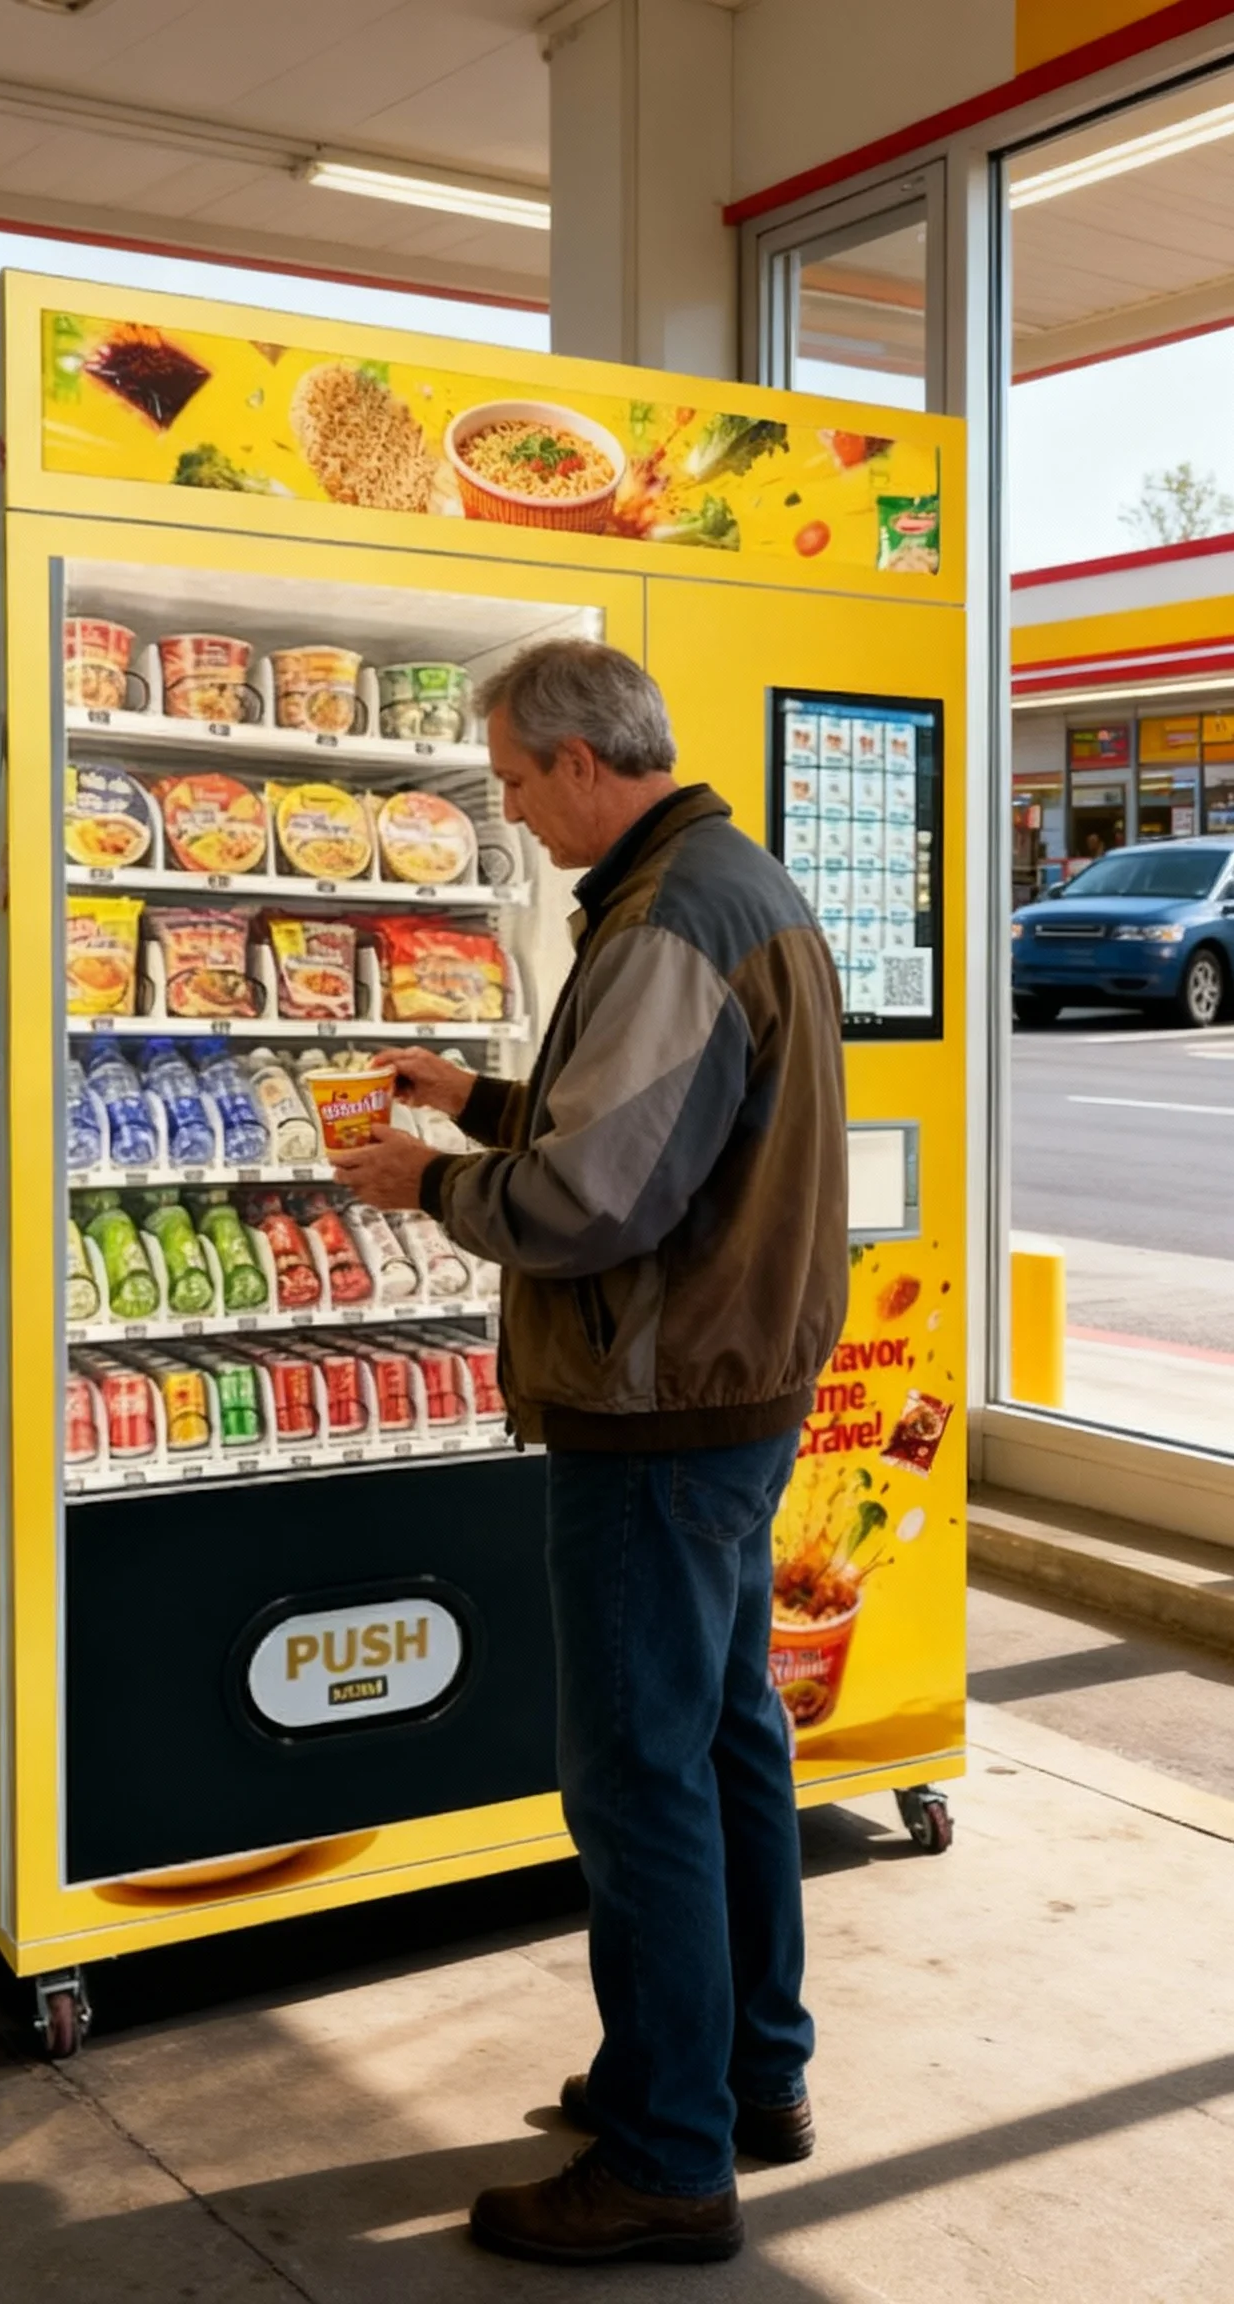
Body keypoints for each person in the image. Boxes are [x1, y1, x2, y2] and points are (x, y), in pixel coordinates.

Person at [330, 639, 848, 2269]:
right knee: (723, 1743)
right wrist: (481, 1097)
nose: (508, 808)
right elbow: (654, 1130)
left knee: (636, 1783)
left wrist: (422, 1181)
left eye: (510, 778)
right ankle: (742, 2076)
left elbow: (592, 1202)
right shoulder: (720, 882)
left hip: (653, 1412)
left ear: (578, 760)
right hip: (733, 1391)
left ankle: (663, 2159)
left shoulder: (667, 915)